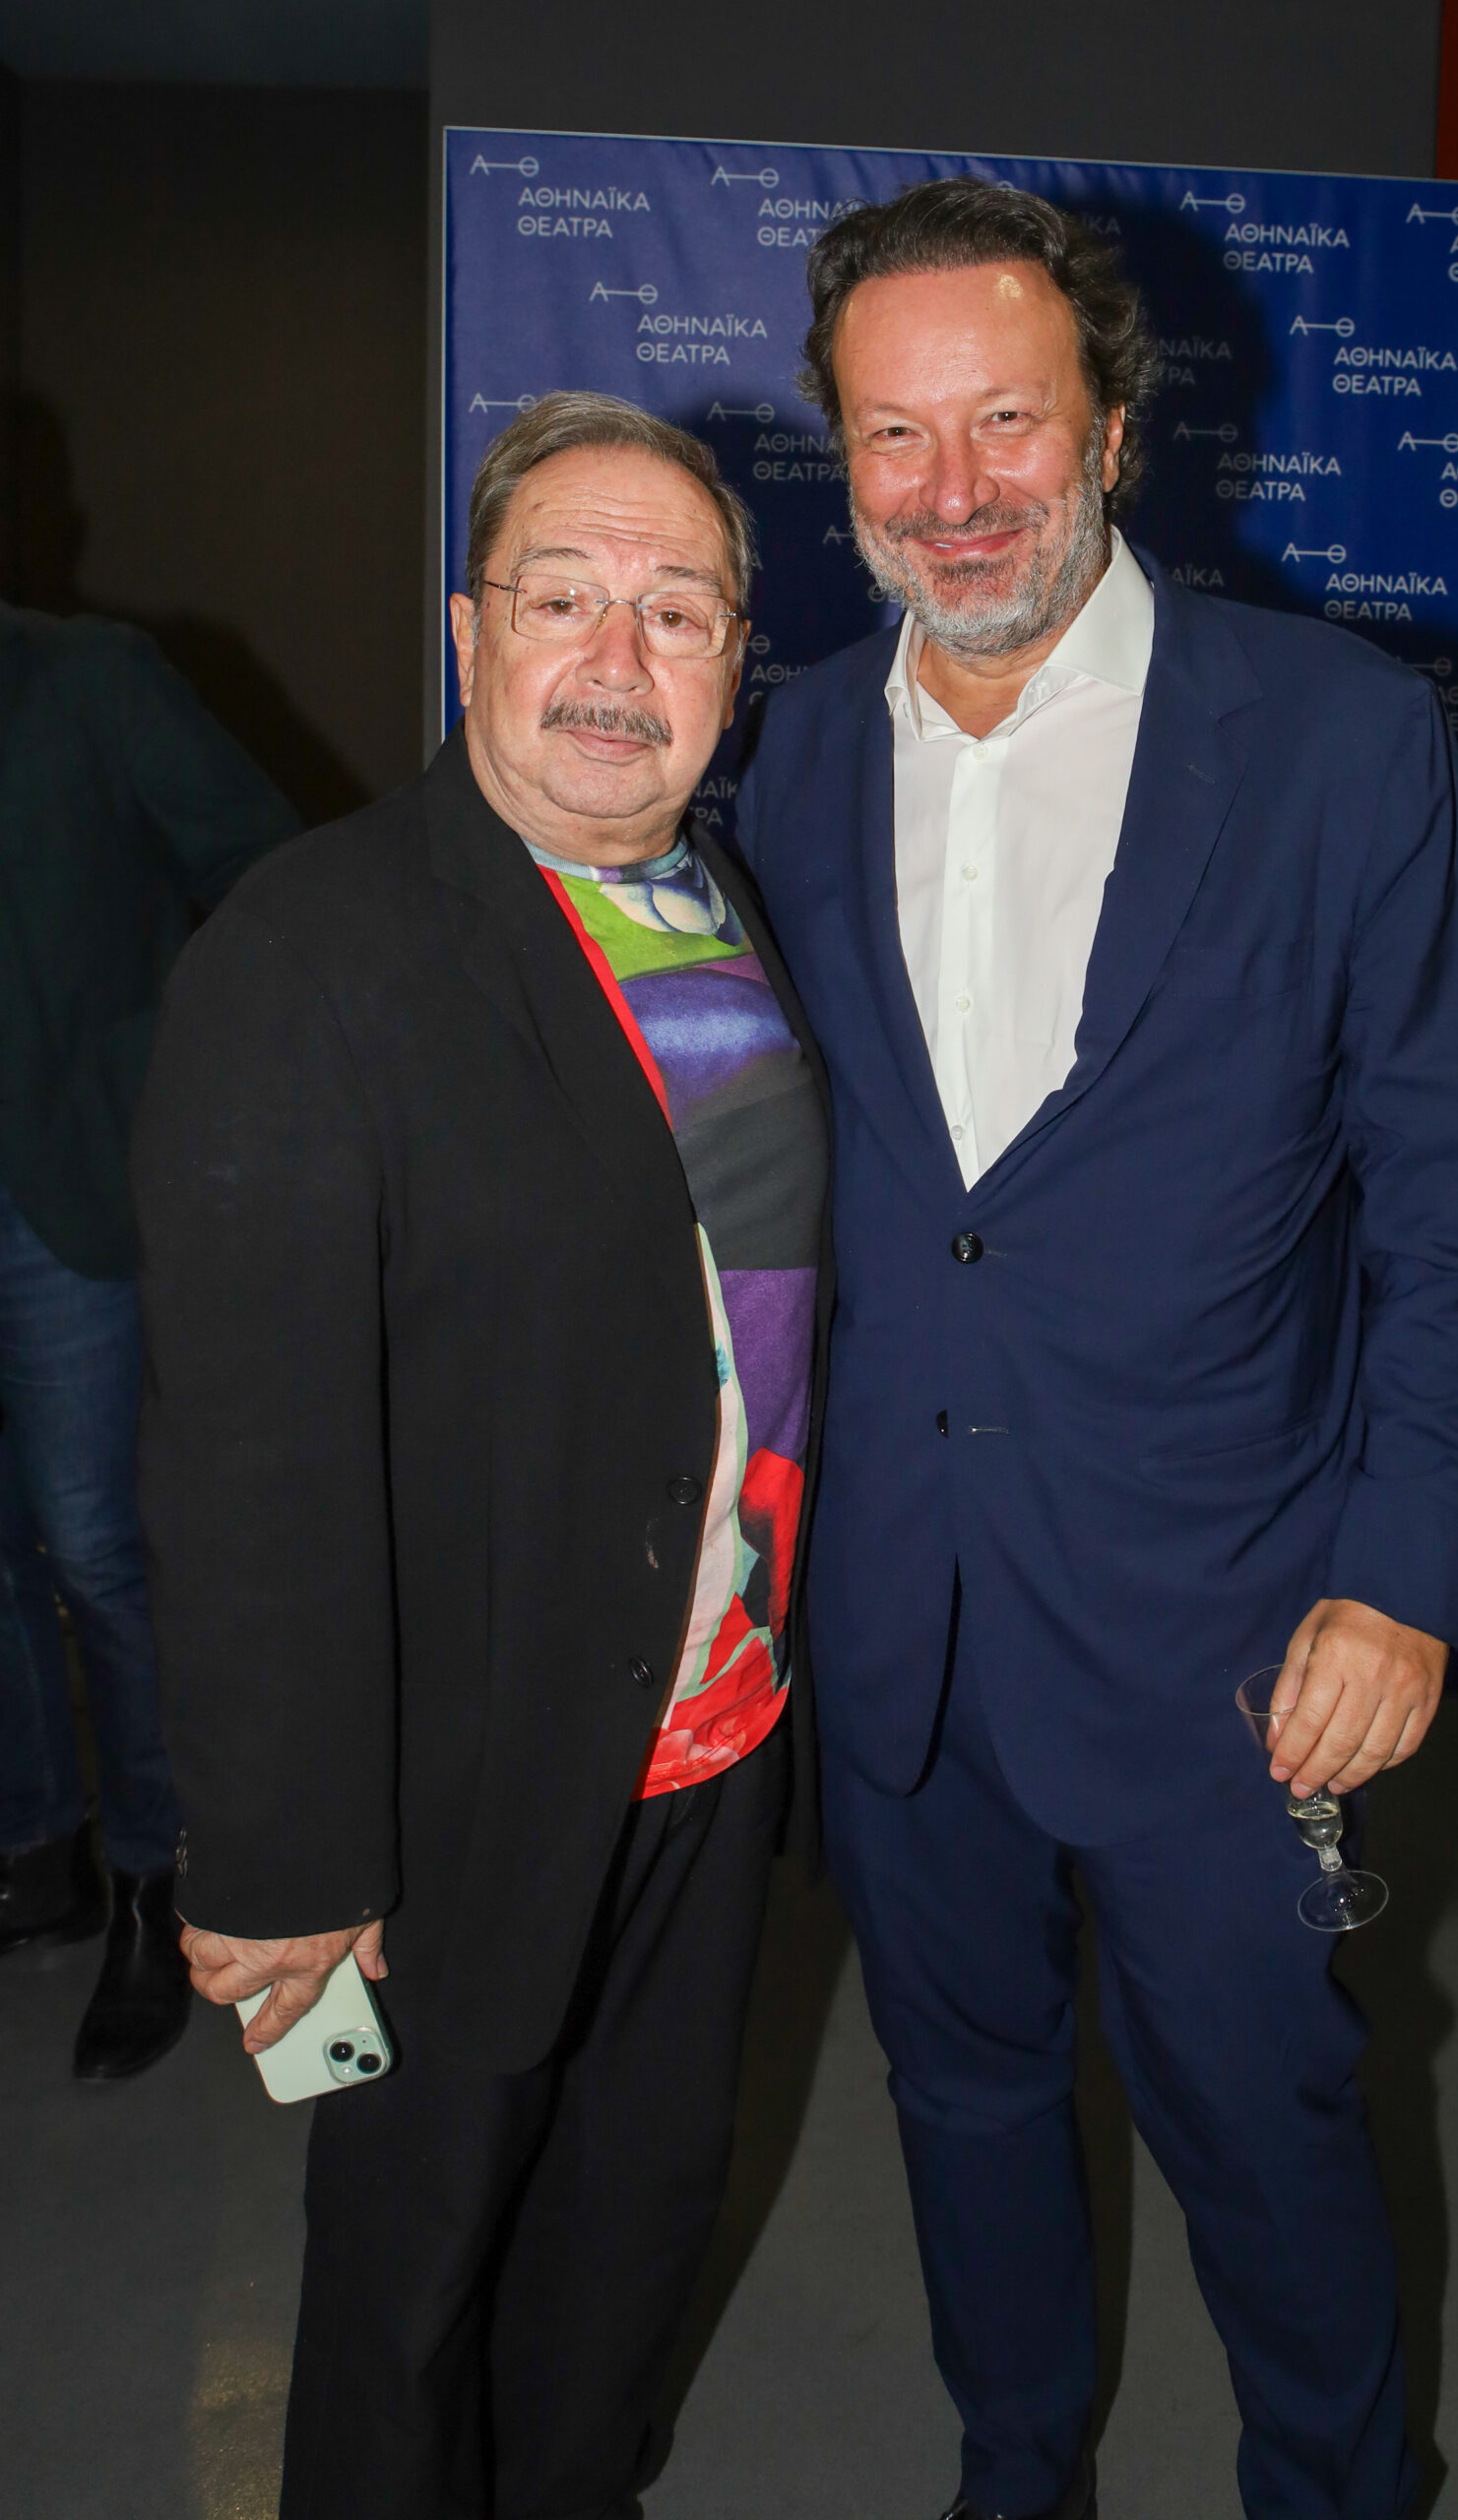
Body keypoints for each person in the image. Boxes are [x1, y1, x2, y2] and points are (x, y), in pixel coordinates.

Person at [732, 179, 1458, 2520]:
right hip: (893, 1616)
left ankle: (1335, 2486)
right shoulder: (783, 754)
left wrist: (1398, 1574)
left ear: (1110, 423)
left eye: (1004, 420)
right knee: (960, 2095)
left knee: (1264, 2123)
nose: (951, 488)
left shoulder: (1334, 737)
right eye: (893, 435)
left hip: (1229, 1630)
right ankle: (1016, 2471)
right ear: (839, 455)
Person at [132, 393, 828, 2520]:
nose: (619, 659)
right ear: (465, 634)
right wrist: (278, 1857)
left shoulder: (718, 903)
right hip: (462, 1789)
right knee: (415, 2300)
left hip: (711, 1743)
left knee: (626, 2247)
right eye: (562, 598)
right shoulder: (312, 949)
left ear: (735, 663)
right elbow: (245, 1454)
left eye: (678, 611)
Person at [0, 598, 298, 2080]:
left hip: (67, 1199)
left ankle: (149, 1877)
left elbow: (267, 871)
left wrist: (152, 1067)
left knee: (99, 1554)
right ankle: (33, 1849)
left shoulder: (90, 683)